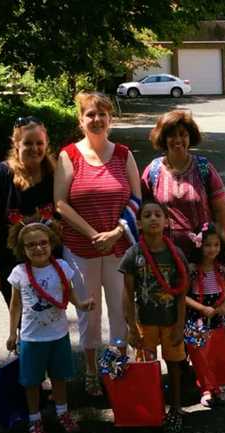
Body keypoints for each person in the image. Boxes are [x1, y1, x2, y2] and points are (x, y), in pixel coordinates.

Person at [55, 91, 141, 397]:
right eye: (90, 114)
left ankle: (117, 369)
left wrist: (117, 233)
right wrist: (94, 234)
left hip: (119, 249)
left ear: (110, 120)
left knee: (120, 311)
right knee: (88, 314)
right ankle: (91, 371)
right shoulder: (69, 155)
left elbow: (136, 199)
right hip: (80, 249)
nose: (96, 119)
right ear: (81, 120)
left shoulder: (123, 154)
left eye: (102, 114)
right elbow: (61, 204)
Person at [5, 218, 94, 433]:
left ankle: (63, 413)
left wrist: (81, 304)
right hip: (32, 337)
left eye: (43, 243)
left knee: (59, 377)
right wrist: (12, 333)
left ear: (52, 243)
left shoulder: (62, 267)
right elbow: (15, 305)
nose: (38, 248)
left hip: (58, 335)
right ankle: (35, 419)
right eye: (31, 245)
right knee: (32, 381)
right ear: (22, 248)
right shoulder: (19, 272)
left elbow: (70, 292)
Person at [120, 200, 189, 433]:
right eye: (147, 215)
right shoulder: (133, 254)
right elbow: (127, 295)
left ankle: (176, 408)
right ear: (138, 223)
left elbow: (181, 294)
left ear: (167, 221)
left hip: (171, 322)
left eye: (158, 214)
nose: (153, 219)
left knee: (174, 365)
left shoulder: (176, 253)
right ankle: (151, 406)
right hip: (145, 323)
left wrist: (180, 324)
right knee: (147, 368)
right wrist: (131, 327)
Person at [0, 117, 56, 308]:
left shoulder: (56, 174)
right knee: (24, 322)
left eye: (39, 143)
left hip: (50, 265)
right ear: (16, 143)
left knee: (51, 318)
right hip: (11, 266)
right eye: (28, 143)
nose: (35, 148)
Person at [141, 110, 225, 257]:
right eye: (172, 135)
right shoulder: (153, 171)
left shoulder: (204, 168)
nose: (178, 139)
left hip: (203, 256)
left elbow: (221, 213)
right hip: (164, 256)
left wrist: (224, 254)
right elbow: (142, 213)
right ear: (163, 138)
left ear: (190, 137)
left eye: (183, 134)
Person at [184, 222, 225, 407]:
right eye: (207, 245)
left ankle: (218, 383)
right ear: (199, 246)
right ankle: (205, 387)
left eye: (216, 245)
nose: (212, 249)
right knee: (200, 353)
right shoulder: (192, 269)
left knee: (218, 351)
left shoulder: (221, 268)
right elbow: (182, 296)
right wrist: (201, 308)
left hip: (219, 314)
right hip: (198, 316)